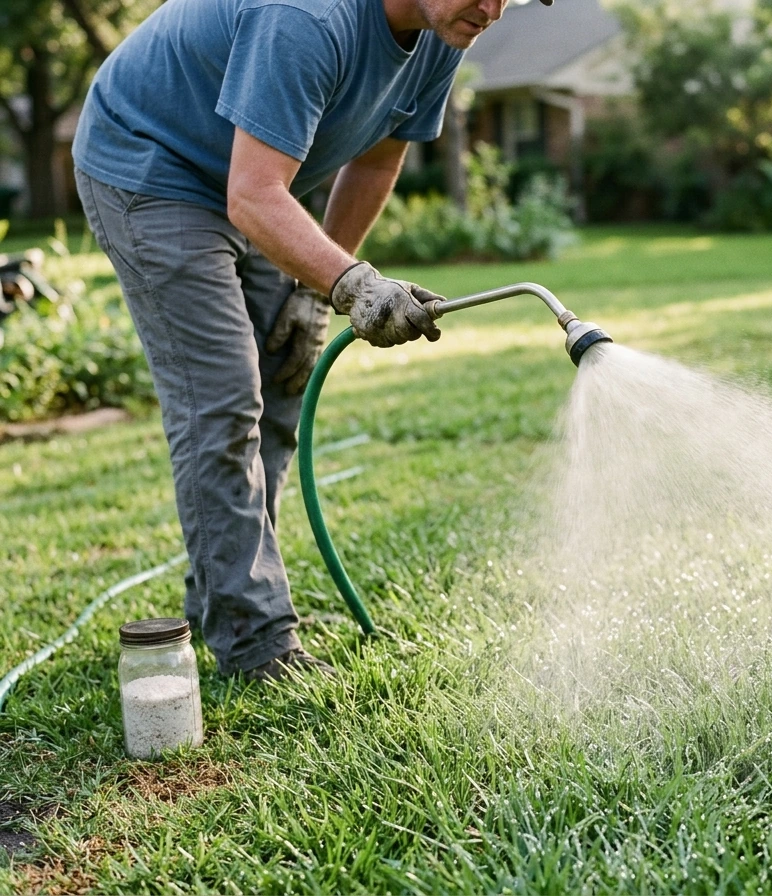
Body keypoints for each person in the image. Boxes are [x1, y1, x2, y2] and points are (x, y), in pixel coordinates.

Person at [72, 0, 551, 681]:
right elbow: (251, 193)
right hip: (153, 166)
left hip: (258, 183)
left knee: (283, 379)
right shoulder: (308, 16)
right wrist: (355, 286)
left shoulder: (444, 31)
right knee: (225, 400)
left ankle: (225, 591)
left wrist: (313, 291)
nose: (494, 8)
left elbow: (378, 162)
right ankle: (256, 641)